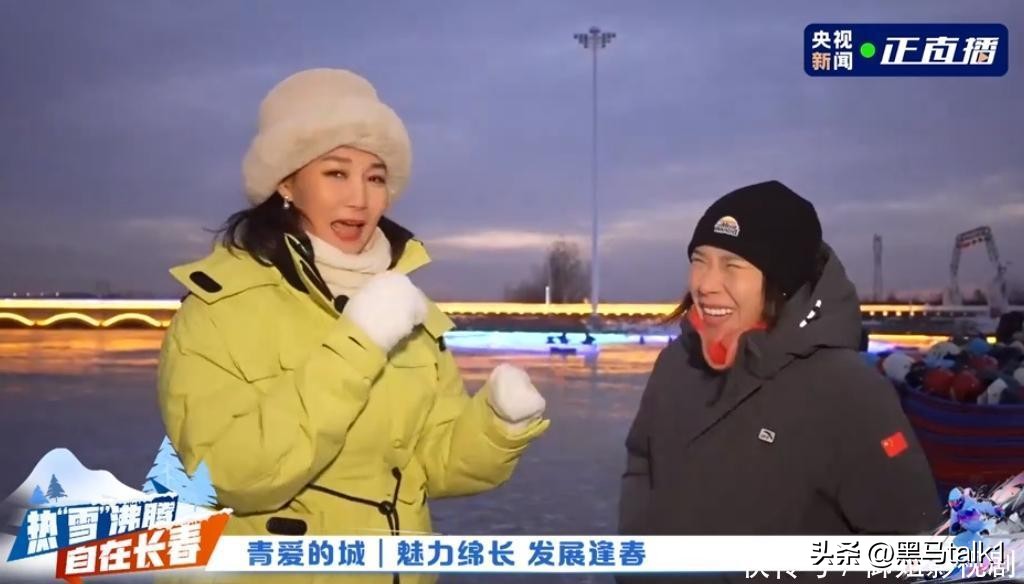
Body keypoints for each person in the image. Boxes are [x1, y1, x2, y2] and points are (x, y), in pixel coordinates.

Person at [157, 68, 549, 583]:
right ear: (286, 183)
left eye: (376, 177)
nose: (360, 199)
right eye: (336, 174)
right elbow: (232, 474)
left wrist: (498, 425)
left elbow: (430, 467)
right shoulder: (220, 308)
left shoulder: (407, 306)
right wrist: (358, 343)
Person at [617, 181, 940, 582]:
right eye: (700, 261)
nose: (705, 283)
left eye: (731, 266)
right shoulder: (676, 364)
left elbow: (912, 550)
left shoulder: (847, 391)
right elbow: (642, 462)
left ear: (781, 282)